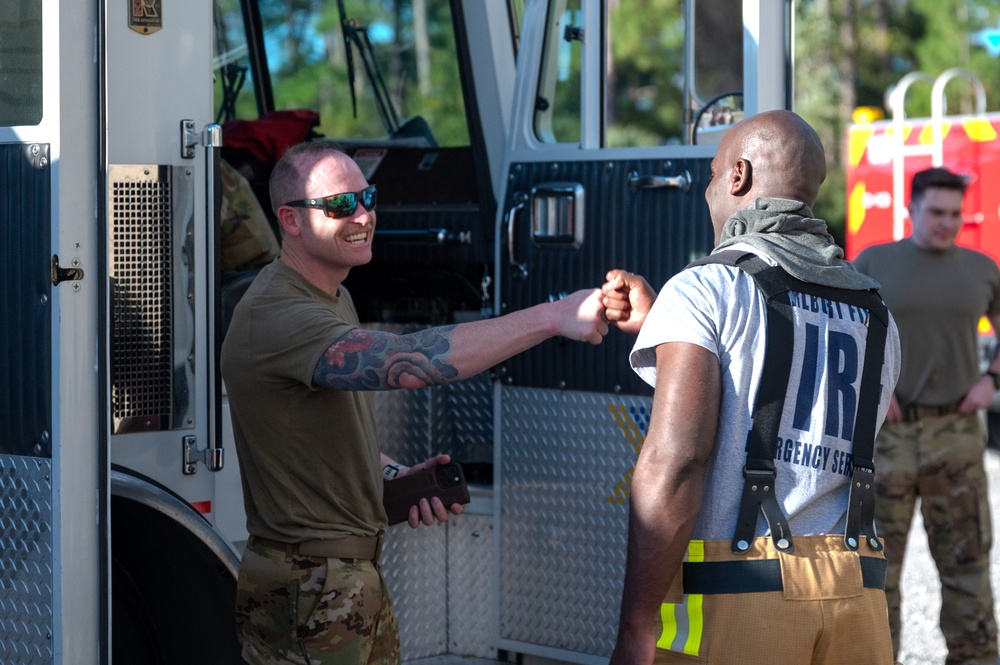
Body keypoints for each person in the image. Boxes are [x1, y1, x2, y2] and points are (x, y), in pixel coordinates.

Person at [220, 141, 609, 665]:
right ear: (290, 219)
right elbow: (411, 361)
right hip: (306, 587)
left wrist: (390, 474)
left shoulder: (331, 294)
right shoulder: (277, 311)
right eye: (340, 205)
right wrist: (553, 316)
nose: (363, 215)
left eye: (368, 197)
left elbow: (312, 434)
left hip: (344, 579)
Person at [600, 109, 901, 665]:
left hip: (739, 594)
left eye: (713, 174)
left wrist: (636, 628)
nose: (710, 190)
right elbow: (788, 388)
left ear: (737, 176)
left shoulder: (707, 288)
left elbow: (678, 461)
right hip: (857, 594)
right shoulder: (876, 312)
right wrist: (668, 321)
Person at [853, 166, 1000, 665]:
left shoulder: (981, 269)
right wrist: (873, 387)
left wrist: (991, 380)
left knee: (967, 565)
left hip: (955, 433)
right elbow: (847, 334)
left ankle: (975, 658)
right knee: (876, 569)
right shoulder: (874, 261)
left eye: (955, 214)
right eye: (936, 212)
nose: (947, 223)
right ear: (910, 209)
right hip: (886, 435)